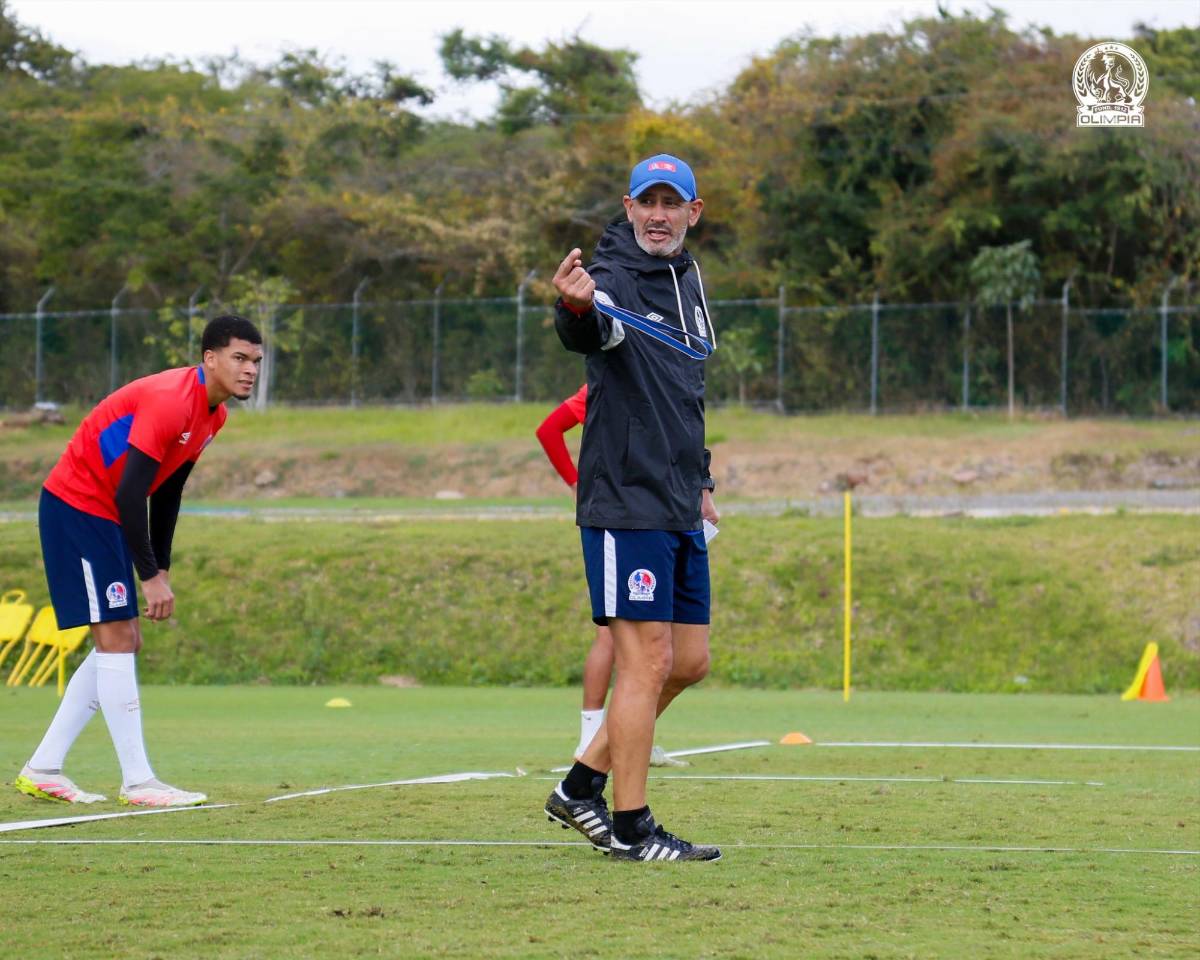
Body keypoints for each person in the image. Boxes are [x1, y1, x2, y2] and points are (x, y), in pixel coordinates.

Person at [543, 154, 722, 862]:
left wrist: (702, 478)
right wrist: (573, 305)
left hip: (680, 499)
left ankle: (581, 785)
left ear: (692, 213)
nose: (657, 214)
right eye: (646, 202)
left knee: (689, 661)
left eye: (670, 203)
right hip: (627, 501)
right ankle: (631, 825)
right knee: (645, 661)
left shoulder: (688, 283)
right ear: (627, 207)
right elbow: (586, 331)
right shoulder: (609, 282)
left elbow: (685, 394)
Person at [14, 315, 263, 808]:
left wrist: (161, 567)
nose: (250, 369)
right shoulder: (172, 401)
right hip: (78, 507)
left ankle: (43, 767)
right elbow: (131, 494)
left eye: (256, 360)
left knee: (122, 640)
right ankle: (138, 781)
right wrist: (148, 577)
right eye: (239, 358)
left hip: (103, 512)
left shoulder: (213, 415)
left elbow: (166, 492)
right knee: (117, 638)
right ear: (209, 359)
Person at [536, 386, 690, 766]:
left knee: (646, 638)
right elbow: (548, 430)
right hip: (615, 518)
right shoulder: (603, 384)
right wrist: (575, 483)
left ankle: (626, 733)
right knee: (611, 632)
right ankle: (592, 736)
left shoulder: (660, 385)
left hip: (652, 516)